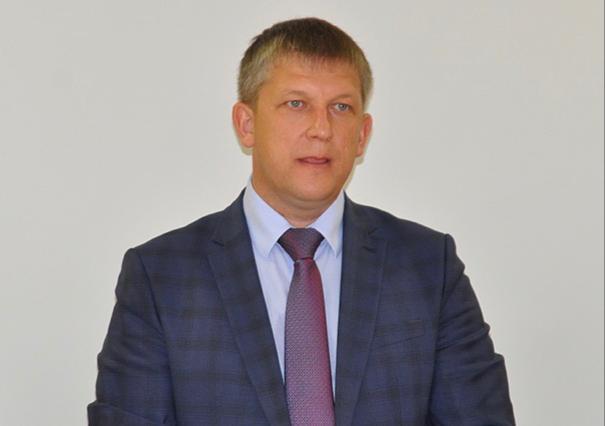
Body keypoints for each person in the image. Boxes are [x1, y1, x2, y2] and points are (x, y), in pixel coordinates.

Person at [88, 17, 515, 425]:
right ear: (246, 124)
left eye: (341, 107)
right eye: (296, 104)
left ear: (362, 134)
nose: (321, 129)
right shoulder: (161, 277)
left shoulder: (429, 267)